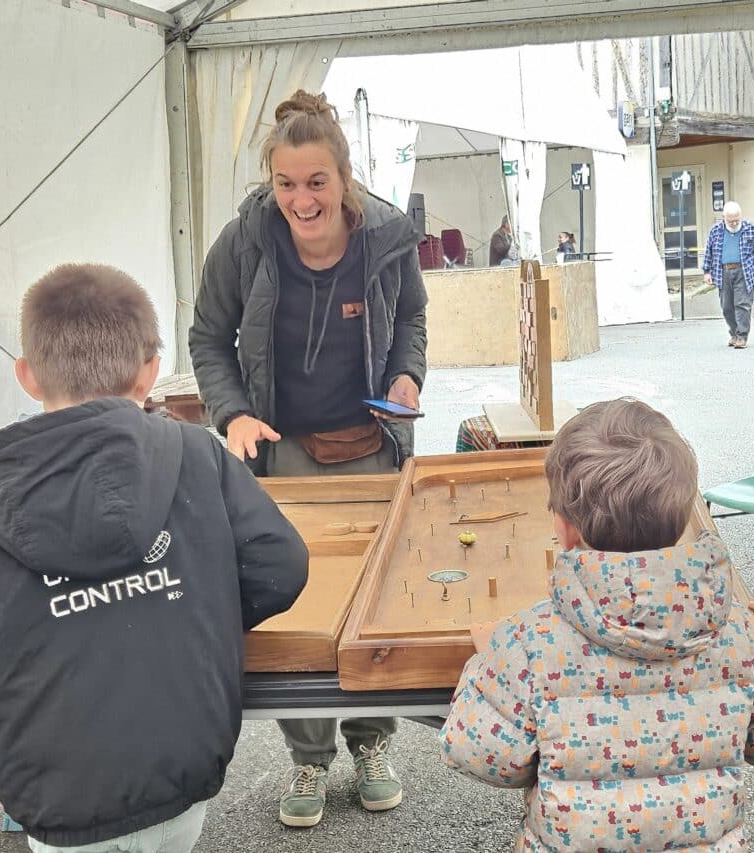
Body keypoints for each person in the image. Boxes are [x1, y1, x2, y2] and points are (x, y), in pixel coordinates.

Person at [0, 264, 309, 853]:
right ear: (149, 373)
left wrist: (14, 678)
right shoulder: (198, 456)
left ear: (27, 377)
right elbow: (280, 565)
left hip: (55, 787)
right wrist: (195, 622)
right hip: (182, 763)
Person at [439, 399, 754, 851]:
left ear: (564, 527)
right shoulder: (738, 636)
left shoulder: (528, 642)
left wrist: (488, 662)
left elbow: (482, 755)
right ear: (684, 518)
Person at [189, 89, 427, 829]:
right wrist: (231, 413)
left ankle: (370, 744)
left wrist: (406, 375)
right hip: (281, 453)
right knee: (300, 602)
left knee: (368, 603)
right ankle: (308, 753)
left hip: (367, 446)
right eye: (286, 183)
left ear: (343, 179)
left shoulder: (385, 237)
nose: (301, 198)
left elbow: (413, 316)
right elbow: (207, 337)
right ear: (271, 182)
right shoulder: (243, 241)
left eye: (316, 182)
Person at [702, 201, 754, 348]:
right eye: (730, 221)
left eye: (737, 219)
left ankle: (742, 336)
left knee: (742, 305)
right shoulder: (716, 231)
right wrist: (706, 271)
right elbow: (709, 252)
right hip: (723, 272)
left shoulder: (751, 229)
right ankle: (734, 333)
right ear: (724, 217)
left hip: (744, 271)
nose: (734, 223)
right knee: (727, 307)